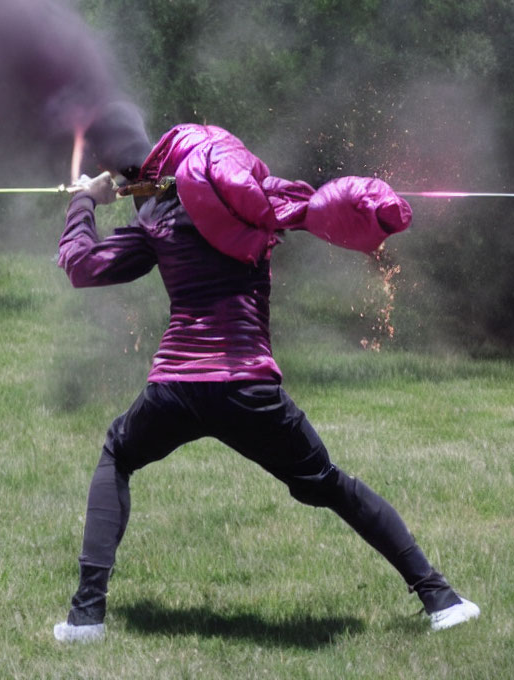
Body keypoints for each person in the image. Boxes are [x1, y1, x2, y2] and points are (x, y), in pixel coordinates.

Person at [53, 122, 480, 643]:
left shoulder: (157, 217)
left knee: (118, 456)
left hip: (178, 387)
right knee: (329, 484)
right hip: (249, 388)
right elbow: (313, 204)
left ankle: (85, 620)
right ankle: (442, 600)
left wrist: (85, 203)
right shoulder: (250, 204)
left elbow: (81, 266)